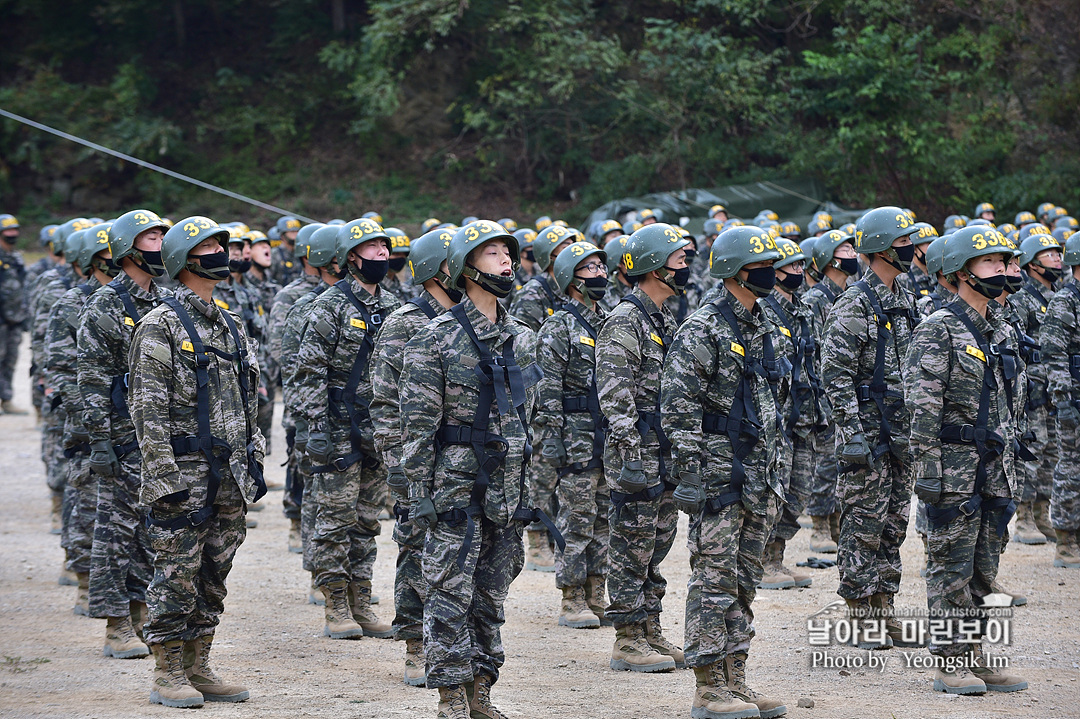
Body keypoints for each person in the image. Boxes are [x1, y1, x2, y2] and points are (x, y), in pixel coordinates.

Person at [400, 220, 544, 719]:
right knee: (447, 595)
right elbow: (415, 429)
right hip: (452, 490)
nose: (506, 261)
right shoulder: (434, 338)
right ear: (466, 267)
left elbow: (536, 420)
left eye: (509, 252)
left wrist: (534, 489)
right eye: (492, 253)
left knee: (490, 598)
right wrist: (415, 495)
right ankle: (450, 699)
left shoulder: (524, 339)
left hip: (507, 491)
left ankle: (482, 690)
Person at [128, 215, 267, 707]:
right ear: (184, 259)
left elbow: (250, 404)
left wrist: (254, 461)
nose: (220, 254)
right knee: (175, 575)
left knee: (214, 574)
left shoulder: (229, 323)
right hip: (182, 479)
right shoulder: (159, 326)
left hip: (229, 479)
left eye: (220, 246)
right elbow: (146, 411)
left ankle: (199, 663)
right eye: (208, 246)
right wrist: (164, 479)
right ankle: (167, 671)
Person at [663, 224, 790, 719]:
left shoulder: (763, 324)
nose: (772, 274)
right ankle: (707, 685)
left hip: (760, 478)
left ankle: (736, 679)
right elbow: (679, 408)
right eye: (762, 267)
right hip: (718, 478)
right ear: (737, 271)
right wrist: (690, 473)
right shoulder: (704, 328)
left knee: (743, 581)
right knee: (714, 579)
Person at [905, 225, 1028, 694]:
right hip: (953, 468)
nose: (1001, 268)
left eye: (1003, 260)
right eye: (989, 261)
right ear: (961, 272)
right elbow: (922, 410)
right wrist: (930, 475)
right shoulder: (939, 329)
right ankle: (950, 661)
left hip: (994, 466)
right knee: (950, 565)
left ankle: (977, 655)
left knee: (985, 566)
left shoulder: (999, 325)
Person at [291, 217, 399, 639]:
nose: (382, 255)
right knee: (334, 520)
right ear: (351, 256)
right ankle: (335, 605)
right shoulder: (330, 306)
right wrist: (314, 427)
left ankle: (361, 600)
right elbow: (308, 372)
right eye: (373, 249)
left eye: (385, 248)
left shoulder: (392, 308)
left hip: (377, 431)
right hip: (335, 428)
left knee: (367, 520)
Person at [820, 206, 919, 649]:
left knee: (894, 524)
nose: (911, 249)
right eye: (902, 242)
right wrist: (852, 433)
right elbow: (834, 374)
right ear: (880, 248)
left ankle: (884, 605)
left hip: (900, 433)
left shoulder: (906, 296)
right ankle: (860, 613)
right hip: (867, 435)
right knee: (863, 523)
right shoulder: (856, 303)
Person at [597, 222, 689, 674]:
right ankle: (627, 637)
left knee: (657, 542)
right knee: (631, 544)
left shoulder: (660, 317)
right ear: (653, 265)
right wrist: (630, 456)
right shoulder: (624, 320)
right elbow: (616, 397)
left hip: (662, 451)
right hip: (636, 453)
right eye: (677, 257)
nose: (685, 263)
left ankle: (649, 626)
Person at [370, 227, 460, 686]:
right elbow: (384, 405)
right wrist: (401, 469)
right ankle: (414, 643)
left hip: (463, 461)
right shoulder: (405, 322)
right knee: (415, 548)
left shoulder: (472, 319)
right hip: (417, 460)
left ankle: (454, 644)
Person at [536, 240, 611, 629]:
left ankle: (598, 589)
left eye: (602, 267)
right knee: (576, 519)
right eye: (590, 268)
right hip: (575, 438)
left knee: (605, 519)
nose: (600, 274)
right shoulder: (559, 325)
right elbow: (547, 386)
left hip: (608, 437)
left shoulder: (611, 321)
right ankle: (572, 595)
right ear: (571, 278)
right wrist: (551, 437)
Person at [509, 223, 579, 571]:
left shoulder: (572, 292)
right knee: (541, 469)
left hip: (571, 393)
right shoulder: (533, 295)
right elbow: (523, 351)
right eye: (562, 248)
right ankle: (537, 537)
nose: (570, 252)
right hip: (540, 394)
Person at [758, 238, 823, 590]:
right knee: (773, 494)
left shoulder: (802, 310)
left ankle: (776, 556)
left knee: (798, 491)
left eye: (801, 265)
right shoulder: (763, 310)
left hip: (802, 418)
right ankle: (763, 561)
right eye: (791, 266)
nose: (798, 271)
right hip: (775, 421)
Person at [800, 229, 859, 553]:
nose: (852, 253)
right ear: (830, 258)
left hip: (846, 392)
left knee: (843, 462)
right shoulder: (815, 300)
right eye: (845, 249)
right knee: (824, 462)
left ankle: (836, 521)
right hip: (822, 394)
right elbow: (812, 353)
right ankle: (819, 525)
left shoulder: (851, 294)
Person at [268, 222, 324, 551]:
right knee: (298, 460)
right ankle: (296, 519)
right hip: (301, 396)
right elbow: (279, 348)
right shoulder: (290, 296)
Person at [1007, 231, 1064, 544]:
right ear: (1032, 262)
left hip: (1056, 389)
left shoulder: (1059, 296)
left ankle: (1044, 512)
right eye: (1049, 254)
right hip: (1034, 391)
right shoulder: (1023, 299)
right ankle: (1025, 516)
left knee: (1053, 451)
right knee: (1034, 450)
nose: (1056, 258)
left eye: (1058, 253)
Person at [1042, 231, 1080, 568]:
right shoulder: (1065, 300)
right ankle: (1066, 540)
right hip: (1073, 398)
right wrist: (1063, 400)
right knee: (1071, 468)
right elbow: (1054, 353)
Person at [270, 215, 303, 286]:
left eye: (296, 231)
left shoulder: (302, 252)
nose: (295, 235)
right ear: (282, 235)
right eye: (291, 232)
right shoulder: (274, 254)